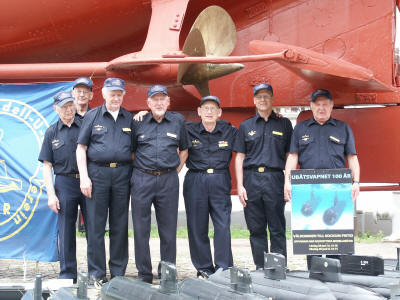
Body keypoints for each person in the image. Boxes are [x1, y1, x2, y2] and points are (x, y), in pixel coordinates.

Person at [284, 89, 360, 268]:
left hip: (337, 190)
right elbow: (293, 156)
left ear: (332, 106)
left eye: (325, 104)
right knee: (312, 239)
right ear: (311, 106)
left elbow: (352, 157)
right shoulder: (301, 128)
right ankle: (315, 276)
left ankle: (336, 276)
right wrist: (287, 181)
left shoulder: (343, 128)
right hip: (308, 189)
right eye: (317, 104)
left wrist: (356, 182)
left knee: (337, 241)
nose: (321, 108)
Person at [76, 78, 133, 284]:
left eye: (119, 94)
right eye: (112, 93)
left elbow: (135, 150)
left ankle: (118, 273)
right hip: (97, 175)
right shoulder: (92, 116)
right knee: (95, 225)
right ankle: (96, 273)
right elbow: (81, 148)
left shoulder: (130, 118)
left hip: (122, 176)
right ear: (104, 94)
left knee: (120, 224)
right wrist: (84, 177)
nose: (116, 97)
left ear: (123, 95)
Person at [130, 84, 188, 284]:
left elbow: (184, 150)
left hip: (168, 180)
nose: (159, 102)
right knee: (140, 228)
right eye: (155, 99)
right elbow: (131, 151)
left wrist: (174, 172)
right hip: (142, 179)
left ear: (168, 102)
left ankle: (167, 273)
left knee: (168, 229)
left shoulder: (178, 121)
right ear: (148, 103)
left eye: (163, 98)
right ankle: (144, 274)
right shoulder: (138, 121)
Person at [233, 83, 293, 269]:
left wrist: (287, 182)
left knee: (276, 227)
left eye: (266, 96)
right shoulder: (246, 125)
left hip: (275, 178)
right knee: (256, 228)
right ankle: (260, 267)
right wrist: (240, 186)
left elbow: (291, 155)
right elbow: (239, 157)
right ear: (254, 100)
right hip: (251, 180)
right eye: (259, 96)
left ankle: (278, 267)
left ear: (272, 99)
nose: (263, 99)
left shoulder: (284, 123)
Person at [184, 95, 237, 277]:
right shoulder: (188, 129)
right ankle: (204, 268)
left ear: (219, 113)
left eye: (213, 108)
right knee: (197, 226)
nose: (209, 112)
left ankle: (223, 268)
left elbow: (249, 137)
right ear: (199, 112)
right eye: (205, 108)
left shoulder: (229, 131)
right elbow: (165, 124)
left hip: (219, 180)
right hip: (196, 180)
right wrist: (143, 113)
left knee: (222, 225)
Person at [38, 91, 88, 283]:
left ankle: (95, 272)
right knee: (66, 230)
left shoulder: (85, 125)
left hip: (86, 181)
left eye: (71, 105)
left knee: (93, 228)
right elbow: (46, 166)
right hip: (64, 184)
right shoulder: (51, 132)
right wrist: (51, 195)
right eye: (64, 106)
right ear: (55, 109)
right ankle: (68, 274)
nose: (69, 109)